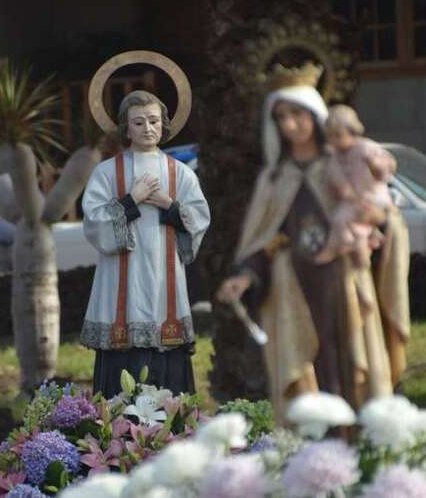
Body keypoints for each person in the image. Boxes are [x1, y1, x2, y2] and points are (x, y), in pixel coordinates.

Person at [216, 63, 397, 424]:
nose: (289, 124)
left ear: (315, 115)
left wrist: (378, 218)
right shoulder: (275, 178)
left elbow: (381, 210)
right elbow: (265, 238)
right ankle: (315, 441)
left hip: (342, 280)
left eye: (296, 114)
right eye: (281, 117)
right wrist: (245, 276)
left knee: (347, 359)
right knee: (308, 368)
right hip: (294, 287)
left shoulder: (342, 164)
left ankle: (358, 437)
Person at [81, 90, 210, 398]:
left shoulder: (180, 173)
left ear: (164, 124)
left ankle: (172, 421)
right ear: (126, 128)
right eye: (138, 123)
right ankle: (117, 425)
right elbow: (94, 221)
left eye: (153, 121)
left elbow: (199, 219)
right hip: (119, 277)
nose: (147, 128)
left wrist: (169, 204)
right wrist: (131, 200)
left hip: (165, 277)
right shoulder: (107, 172)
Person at [314, 104, 396, 269]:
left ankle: (354, 244)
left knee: (348, 217)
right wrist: (344, 190)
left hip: (373, 198)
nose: (335, 141)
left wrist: (377, 166)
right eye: (331, 137)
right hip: (354, 199)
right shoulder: (335, 156)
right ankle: (357, 243)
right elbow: (335, 178)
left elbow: (387, 166)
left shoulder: (365, 147)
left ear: (352, 131)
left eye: (339, 136)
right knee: (340, 218)